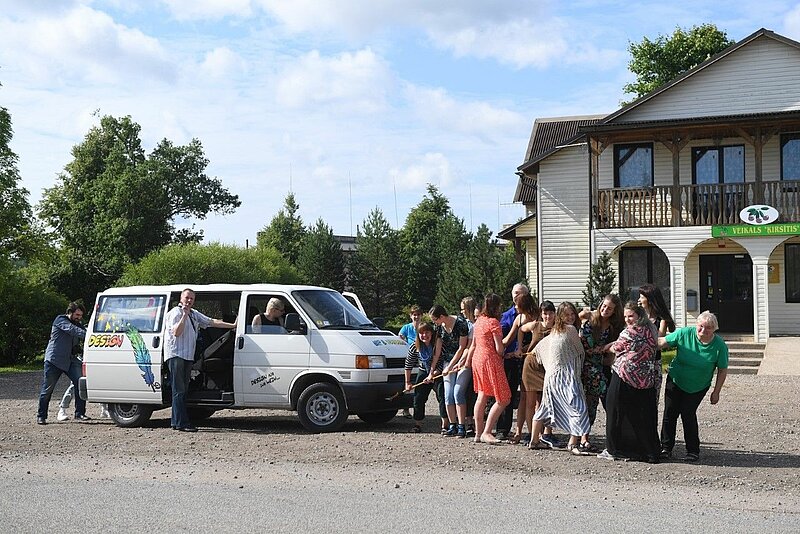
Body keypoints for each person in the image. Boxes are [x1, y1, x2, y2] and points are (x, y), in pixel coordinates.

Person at [658, 311, 728, 462]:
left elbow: (722, 370)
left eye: (708, 328)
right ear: (696, 325)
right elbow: (664, 343)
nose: (703, 330)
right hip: (675, 380)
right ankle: (665, 448)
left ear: (714, 329)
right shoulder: (684, 333)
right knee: (670, 413)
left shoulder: (719, 346)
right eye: (701, 326)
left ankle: (692, 450)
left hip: (698, 385)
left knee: (687, 414)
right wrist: (665, 362)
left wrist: (716, 392)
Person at [166, 289, 237, 432]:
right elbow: (176, 332)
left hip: (187, 356)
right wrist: (184, 315)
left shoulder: (194, 314)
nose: (189, 300)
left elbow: (211, 322)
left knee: (182, 390)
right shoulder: (175, 312)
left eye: (192, 298)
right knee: (179, 390)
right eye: (187, 297)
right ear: (181, 298)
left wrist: (233, 326)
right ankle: (181, 423)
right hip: (176, 355)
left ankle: (176, 422)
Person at [598, 302, 661, 463]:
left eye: (630, 316)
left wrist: (605, 347)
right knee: (642, 416)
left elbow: (617, 348)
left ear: (639, 316)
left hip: (624, 375)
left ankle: (613, 449)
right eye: (625, 316)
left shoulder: (629, 332)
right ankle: (647, 450)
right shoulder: (652, 330)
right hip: (646, 378)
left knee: (615, 412)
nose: (627, 320)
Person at [527, 302, 591, 455]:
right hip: (566, 376)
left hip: (551, 376)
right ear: (560, 316)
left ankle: (534, 441)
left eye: (572, 314)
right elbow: (580, 351)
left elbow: (540, 348)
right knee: (578, 408)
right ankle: (572, 443)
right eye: (566, 314)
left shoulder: (554, 332)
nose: (570, 317)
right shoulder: (571, 329)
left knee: (544, 408)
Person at [578, 293, 623, 453]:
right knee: (589, 400)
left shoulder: (613, 327)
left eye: (610, 309)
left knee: (599, 401)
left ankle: (607, 437)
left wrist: (605, 352)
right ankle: (582, 437)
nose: (605, 310)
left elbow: (614, 349)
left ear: (614, 311)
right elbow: (577, 319)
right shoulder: (591, 318)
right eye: (604, 306)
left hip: (601, 365)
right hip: (584, 363)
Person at [467, 293, 511, 445]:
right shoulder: (493, 322)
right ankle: (487, 431)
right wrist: (506, 350)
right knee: (504, 398)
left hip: (477, 359)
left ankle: (478, 433)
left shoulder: (479, 321)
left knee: (482, 395)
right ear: (496, 306)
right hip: (490, 361)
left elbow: (474, 344)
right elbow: (499, 349)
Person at [36, 302, 88, 425]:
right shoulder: (60, 320)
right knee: (47, 389)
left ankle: (79, 413)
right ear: (70, 312)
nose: (79, 317)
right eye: (77, 314)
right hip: (54, 360)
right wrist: (89, 335)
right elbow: (73, 330)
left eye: (80, 315)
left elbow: (77, 337)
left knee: (80, 383)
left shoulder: (78, 324)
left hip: (69, 360)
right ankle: (41, 416)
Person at [519, 300, 560, 447]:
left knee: (546, 402)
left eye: (550, 313)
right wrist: (519, 347)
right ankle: (531, 433)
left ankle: (546, 433)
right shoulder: (535, 325)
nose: (547, 316)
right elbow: (520, 329)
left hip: (548, 367)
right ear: (541, 314)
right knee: (530, 402)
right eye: (544, 313)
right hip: (531, 364)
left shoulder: (558, 329)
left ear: (554, 314)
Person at [429, 304, 470, 436]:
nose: (434, 323)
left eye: (435, 320)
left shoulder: (460, 324)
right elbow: (438, 351)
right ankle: (452, 424)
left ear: (441, 316)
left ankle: (461, 425)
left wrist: (452, 366)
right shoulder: (440, 328)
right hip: (448, 362)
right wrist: (432, 371)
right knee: (448, 394)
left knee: (458, 392)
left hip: (461, 361)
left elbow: (462, 347)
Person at [503, 293, 537, 444]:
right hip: (521, 362)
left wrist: (522, 349)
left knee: (536, 399)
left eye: (517, 304)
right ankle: (519, 431)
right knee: (523, 398)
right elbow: (507, 340)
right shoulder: (519, 318)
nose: (515, 307)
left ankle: (536, 432)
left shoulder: (538, 318)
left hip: (536, 361)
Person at [497, 282, 529, 439]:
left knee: (527, 396)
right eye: (515, 292)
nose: (517, 296)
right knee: (506, 394)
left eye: (521, 293)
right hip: (508, 360)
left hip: (527, 360)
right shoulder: (504, 316)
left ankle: (528, 431)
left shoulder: (533, 315)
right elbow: (501, 340)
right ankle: (503, 429)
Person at [403, 322, 447, 433]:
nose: (424, 335)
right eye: (421, 333)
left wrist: (433, 375)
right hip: (423, 371)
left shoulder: (437, 345)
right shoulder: (415, 346)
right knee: (418, 397)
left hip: (438, 372)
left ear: (431, 333)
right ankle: (417, 423)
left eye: (426, 332)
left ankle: (445, 424)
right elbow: (408, 364)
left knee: (442, 396)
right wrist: (407, 382)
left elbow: (442, 362)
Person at [454, 297, 478, 437]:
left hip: (472, 361)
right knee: (466, 392)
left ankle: (471, 422)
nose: (462, 312)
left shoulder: (474, 325)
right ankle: (466, 421)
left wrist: (462, 361)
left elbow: (469, 347)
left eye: (463, 309)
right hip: (465, 360)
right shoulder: (465, 324)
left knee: (472, 393)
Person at [398, 305, 423, 419]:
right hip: (410, 357)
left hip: (422, 358)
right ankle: (406, 408)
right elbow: (400, 339)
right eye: (414, 315)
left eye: (418, 314)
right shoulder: (406, 328)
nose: (416, 317)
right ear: (411, 316)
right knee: (408, 382)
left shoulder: (423, 328)